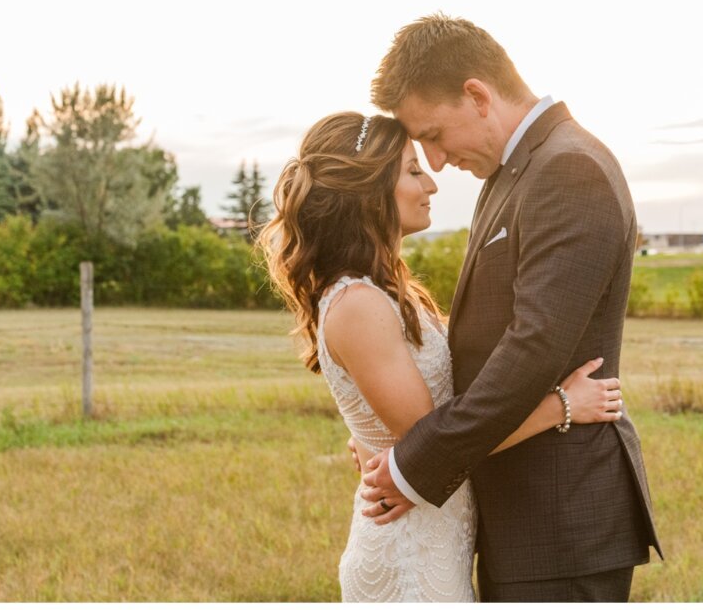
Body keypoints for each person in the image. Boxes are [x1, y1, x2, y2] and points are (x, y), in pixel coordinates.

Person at [258, 111, 626, 602]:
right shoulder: (359, 304)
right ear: (369, 192)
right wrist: (561, 405)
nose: (430, 182)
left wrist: (369, 439)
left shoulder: (391, 291)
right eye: (412, 171)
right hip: (407, 555)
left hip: (438, 537)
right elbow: (432, 440)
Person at [357, 14, 663, 602]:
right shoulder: (516, 171)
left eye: (435, 135)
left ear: (476, 95)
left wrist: (414, 464)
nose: (437, 162)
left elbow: (534, 345)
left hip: (561, 523)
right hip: (520, 514)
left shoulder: (570, 168)